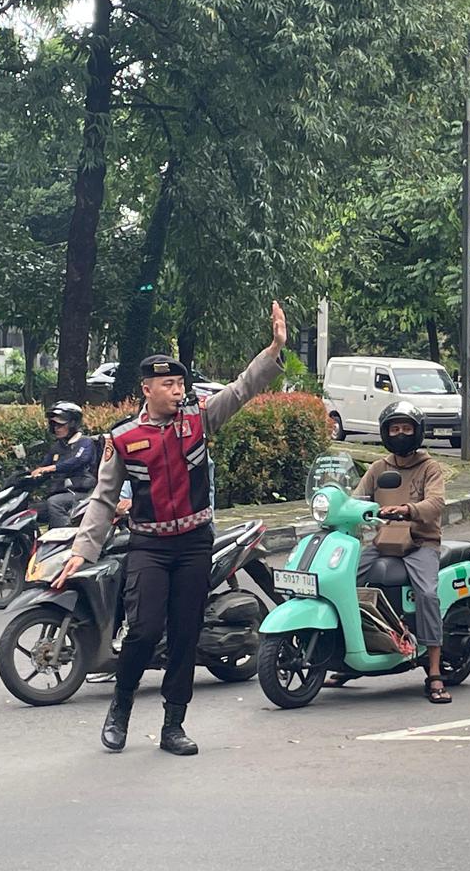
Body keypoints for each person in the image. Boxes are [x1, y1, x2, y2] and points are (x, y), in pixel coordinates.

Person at [57, 302, 288, 756]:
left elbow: (242, 390)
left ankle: (173, 726)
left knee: (185, 635)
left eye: (181, 382)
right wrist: (80, 553)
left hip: (194, 543)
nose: (178, 390)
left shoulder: (199, 419)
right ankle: (120, 709)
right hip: (149, 545)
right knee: (143, 631)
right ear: (147, 389)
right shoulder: (122, 439)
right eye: (169, 383)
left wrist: (275, 349)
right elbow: (104, 500)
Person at [340, 402, 450, 703]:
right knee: (347, 581)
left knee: (427, 593)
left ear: (417, 432)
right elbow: (356, 500)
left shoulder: (430, 468)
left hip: (420, 543)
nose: (400, 434)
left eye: (406, 428)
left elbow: (436, 504)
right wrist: (340, 510)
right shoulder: (379, 468)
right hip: (382, 542)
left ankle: (435, 672)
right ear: (385, 432)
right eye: (394, 428)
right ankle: (355, 651)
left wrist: (406, 510)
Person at [32, 401, 98, 529]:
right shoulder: (57, 447)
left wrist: (52, 468)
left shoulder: (85, 442)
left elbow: (78, 460)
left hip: (81, 493)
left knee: (55, 503)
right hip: (60, 493)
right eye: (54, 424)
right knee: (30, 511)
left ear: (73, 423)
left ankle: (64, 540)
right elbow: (43, 469)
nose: (56, 428)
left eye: (60, 425)